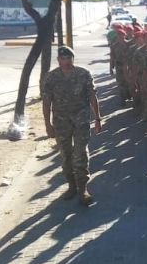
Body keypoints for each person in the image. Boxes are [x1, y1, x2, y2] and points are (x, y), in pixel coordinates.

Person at [42, 46, 102, 206]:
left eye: (69, 58)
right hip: (61, 123)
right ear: (58, 60)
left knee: (81, 152)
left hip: (81, 120)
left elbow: (92, 96)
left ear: (73, 59)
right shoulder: (51, 77)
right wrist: (47, 124)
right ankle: (71, 186)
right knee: (66, 155)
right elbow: (47, 102)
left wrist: (97, 118)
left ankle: (83, 188)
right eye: (63, 59)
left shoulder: (83, 74)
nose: (66, 61)